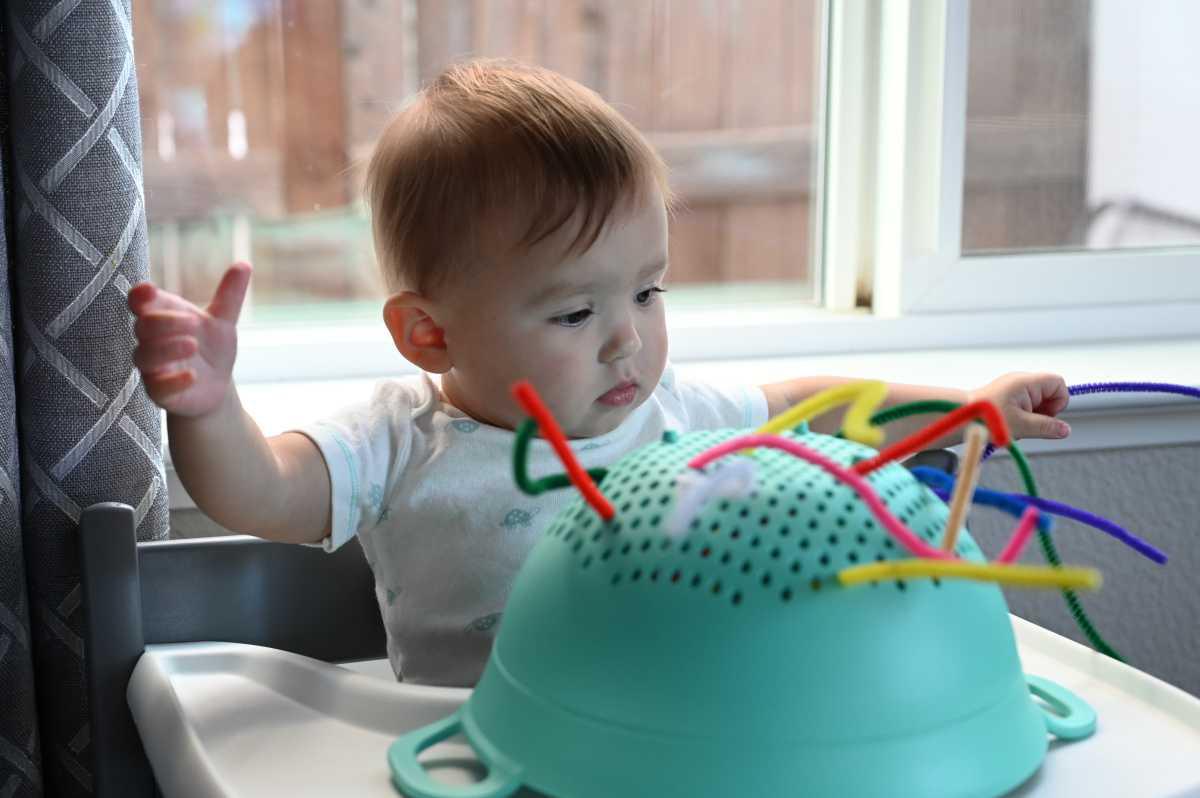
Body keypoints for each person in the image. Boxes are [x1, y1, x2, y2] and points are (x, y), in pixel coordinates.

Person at [128, 59, 1071, 686]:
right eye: (577, 313)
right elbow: (264, 494)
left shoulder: (668, 407)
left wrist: (965, 410)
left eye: (649, 295)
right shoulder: (399, 439)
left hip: (664, 735)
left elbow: (818, 411)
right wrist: (208, 409)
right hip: (474, 751)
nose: (628, 341)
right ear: (427, 335)